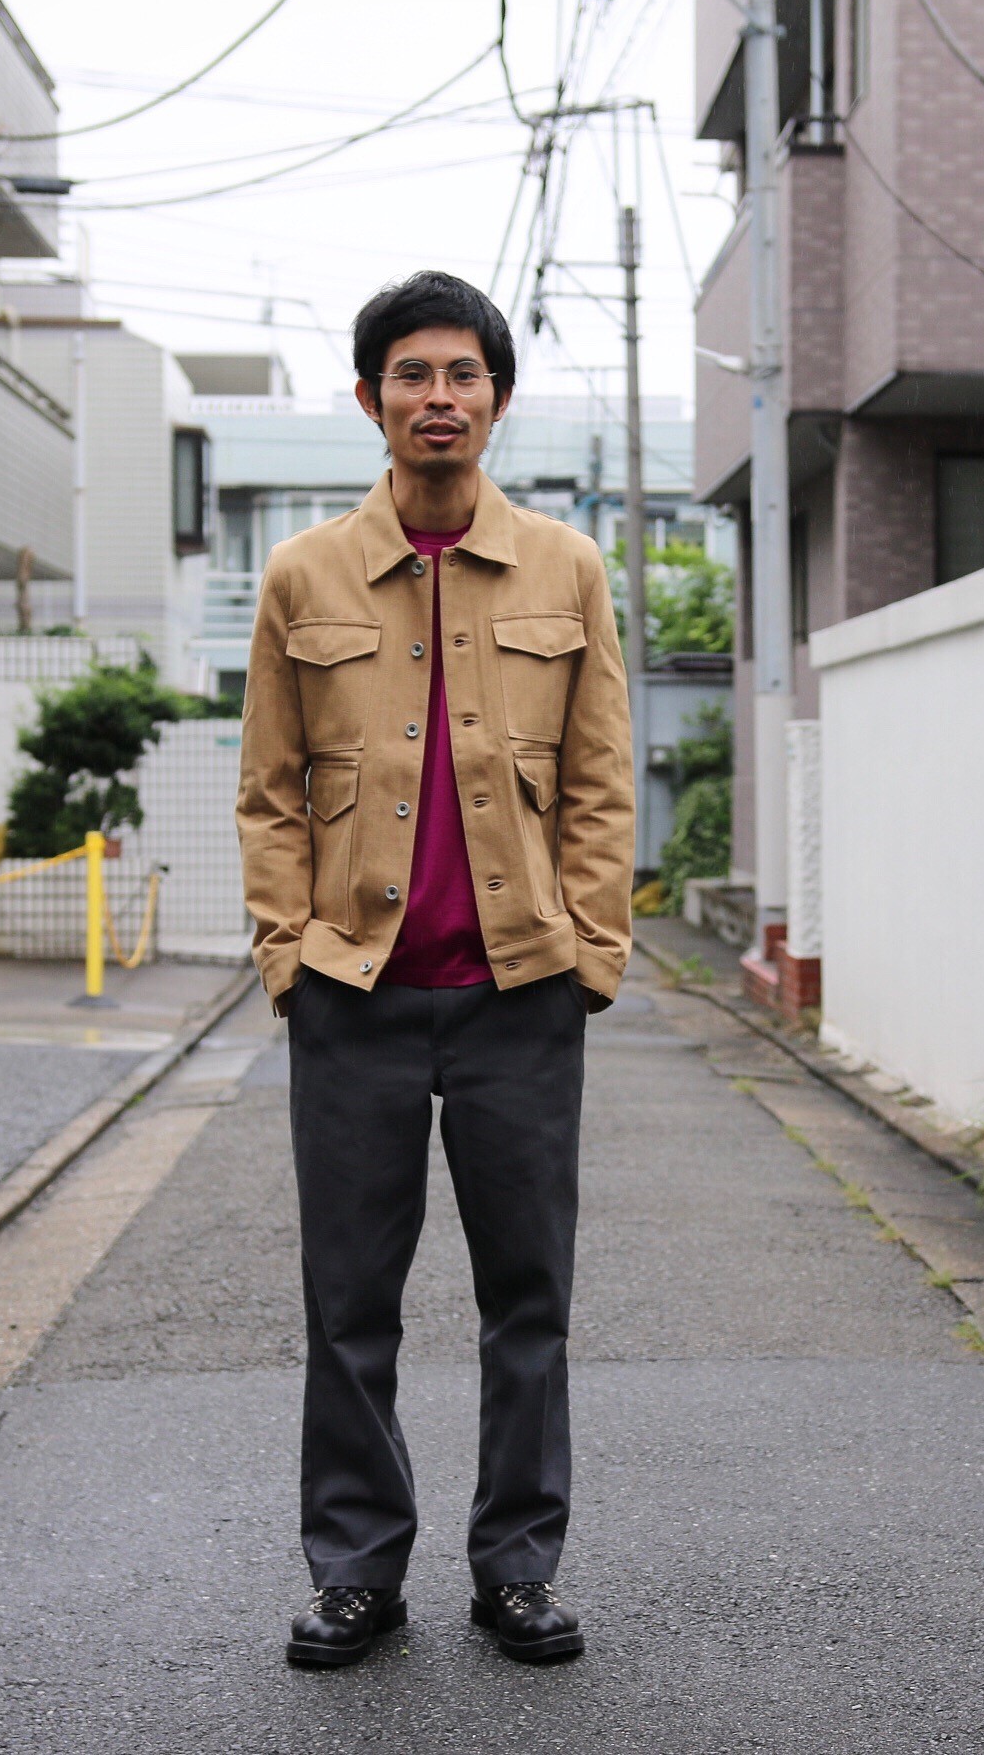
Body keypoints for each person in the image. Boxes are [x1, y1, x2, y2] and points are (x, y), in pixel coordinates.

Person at [235, 271, 635, 1668]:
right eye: (411, 373)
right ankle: (357, 1572)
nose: (439, 397)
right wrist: (288, 961)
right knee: (349, 1307)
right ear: (370, 399)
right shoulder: (302, 575)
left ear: (497, 399)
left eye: (463, 373)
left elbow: (599, 784)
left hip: (521, 996)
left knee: (529, 1302)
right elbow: (269, 794)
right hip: (352, 997)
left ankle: (517, 1568)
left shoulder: (566, 569)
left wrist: (591, 958)